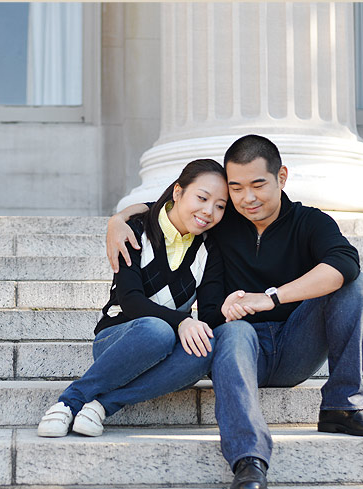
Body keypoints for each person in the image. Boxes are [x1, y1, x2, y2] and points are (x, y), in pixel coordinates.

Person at [106, 134, 363, 489]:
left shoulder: (310, 222)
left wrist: (270, 298)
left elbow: (343, 264)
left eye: (258, 184)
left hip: (295, 346)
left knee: (355, 285)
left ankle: (341, 407)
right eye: (236, 188)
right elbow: (167, 205)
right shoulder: (221, 223)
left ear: (282, 177)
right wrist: (118, 219)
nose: (248, 198)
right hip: (239, 349)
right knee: (237, 331)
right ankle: (248, 459)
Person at [37, 159, 230, 438]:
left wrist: (233, 308)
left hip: (166, 351)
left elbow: (210, 313)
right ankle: (70, 401)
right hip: (118, 341)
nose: (208, 211)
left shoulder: (210, 249)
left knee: (206, 347)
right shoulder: (135, 229)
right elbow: (130, 300)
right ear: (178, 192)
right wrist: (182, 322)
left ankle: (102, 405)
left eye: (220, 206)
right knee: (156, 330)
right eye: (202, 197)